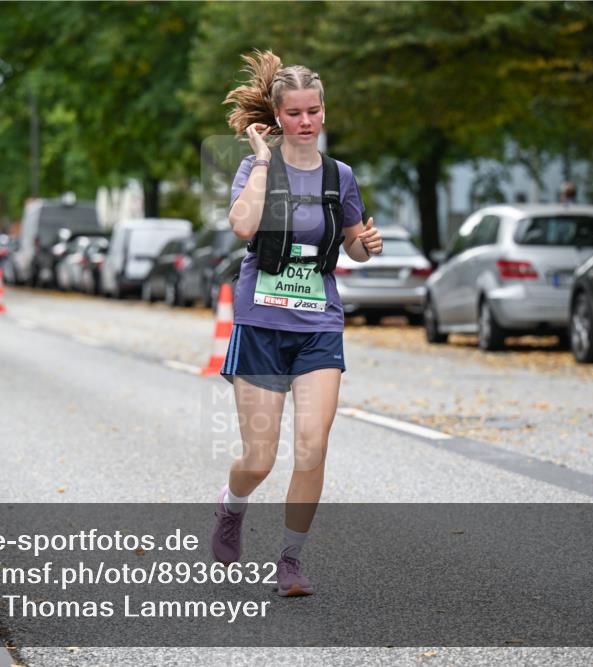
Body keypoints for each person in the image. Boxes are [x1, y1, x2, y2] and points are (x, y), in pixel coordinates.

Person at [212, 50, 382, 596]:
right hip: (261, 323)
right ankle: (232, 508)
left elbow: (353, 244)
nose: (305, 121)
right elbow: (242, 228)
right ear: (278, 117)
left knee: (313, 446)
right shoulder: (253, 167)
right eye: (294, 113)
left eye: (313, 111)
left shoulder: (341, 176)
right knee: (259, 459)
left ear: (324, 113)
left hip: (318, 325)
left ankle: (289, 561)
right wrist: (262, 159)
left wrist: (366, 245)